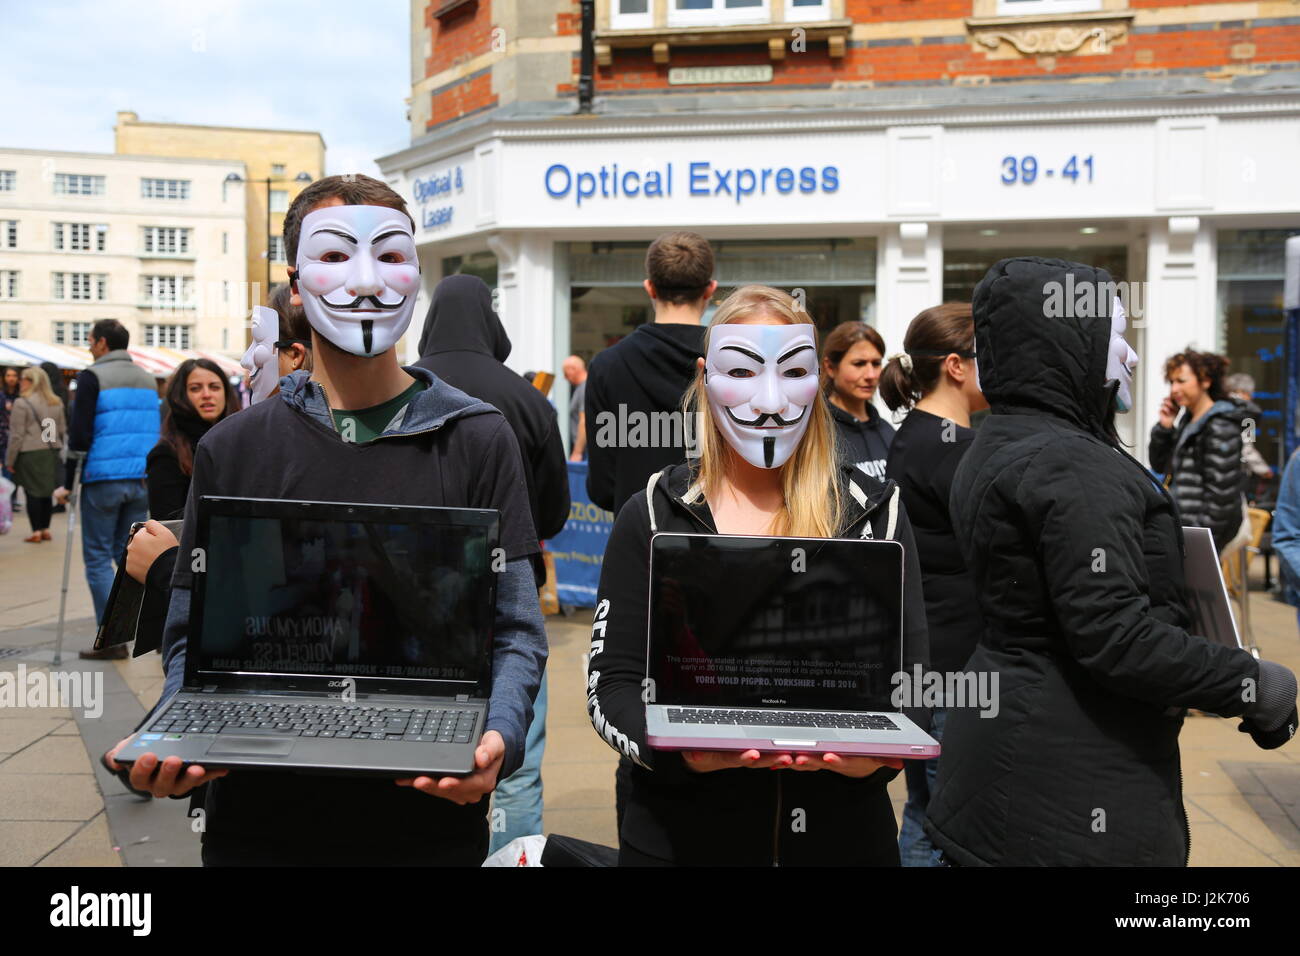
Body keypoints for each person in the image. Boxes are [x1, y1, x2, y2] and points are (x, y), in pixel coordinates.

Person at [103, 173, 547, 867]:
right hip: (259, 819)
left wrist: (500, 735)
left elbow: (516, 628)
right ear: (295, 283)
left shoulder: (476, 437)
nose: (366, 283)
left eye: (390, 257)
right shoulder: (234, 448)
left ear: (416, 272)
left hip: (424, 818)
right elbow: (194, 632)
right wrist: (178, 726)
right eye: (336, 257)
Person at [924, 257, 1297, 867]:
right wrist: (1253, 683)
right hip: (1071, 788)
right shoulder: (1070, 462)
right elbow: (1116, 638)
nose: (1128, 355)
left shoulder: (1000, 439)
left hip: (1006, 771)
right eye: (1114, 337)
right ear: (1063, 344)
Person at [586, 284, 930, 866]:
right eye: (742, 373)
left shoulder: (875, 510)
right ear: (705, 375)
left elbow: (916, 680)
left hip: (841, 839)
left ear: (816, 379)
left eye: (791, 373)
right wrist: (676, 749)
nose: (769, 402)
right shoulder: (654, 510)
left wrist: (878, 758)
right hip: (679, 839)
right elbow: (610, 684)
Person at [414, 272, 569, 852]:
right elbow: (551, 513)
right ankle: (511, 860)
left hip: (419, 600)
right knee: (515, 755)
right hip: (512, 597)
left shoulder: (402, 389)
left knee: (421, 748)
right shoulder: (528, 398)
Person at [878, 303, 986, 867]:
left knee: (928, 808)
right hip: (953, 663)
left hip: (929, 658)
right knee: (950, 814)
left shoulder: (919, 433)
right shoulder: (951, 446)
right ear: (955, 365)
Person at [584, 231, 716, 515]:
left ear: (650, 288)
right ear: (710, 290)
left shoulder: (607, 365)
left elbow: (603, 488)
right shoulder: (732, 363)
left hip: (639, 538)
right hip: (717, 537)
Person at [50, 319, 159, 659]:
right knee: (127, 554)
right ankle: (151, 622)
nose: (89, 346)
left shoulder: (92, 376)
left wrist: (66, 483)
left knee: (97, 558)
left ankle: (110, 638)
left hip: (103, 476)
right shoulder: (147, 377)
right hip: (140, 476)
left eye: (90, 340)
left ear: (100, 343)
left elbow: (80, 434)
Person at [1149, 349, 1247, 554]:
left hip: (1199, 539)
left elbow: (1221, 498)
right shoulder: (1189, 421)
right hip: (1185, 531)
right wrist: (1165, 427)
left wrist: (1198, 542)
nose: (1174, 389)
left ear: (1205, 381)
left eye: (1181, 381)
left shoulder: (1219, 425)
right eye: (1172, 382)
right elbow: (1160, 465)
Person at [147, 359, 240, 521]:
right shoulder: (166, 454)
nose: (207, 394)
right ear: (181, 395)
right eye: (195, 388)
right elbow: (167, 523)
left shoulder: (241, 441)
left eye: (214, 387)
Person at [822, 321, 895, 480]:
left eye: (876, 364)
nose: (870, 375)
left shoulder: (886, 431)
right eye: (859, 364)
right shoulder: (818, 432)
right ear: (830, 368)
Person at [4, 366, 67, 543]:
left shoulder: (22, 402)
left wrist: (10, 459)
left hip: (30, 452)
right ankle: (46, 528)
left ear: (32, 381)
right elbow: (61, 430)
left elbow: (16, 435)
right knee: (46, 491)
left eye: (23, 378)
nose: (19, 381)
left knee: (32, 492)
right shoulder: (56, 401)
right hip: (51, 450)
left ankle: (36, 531)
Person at [1223, 372, 1274, 486]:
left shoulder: (1218, 406)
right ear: (1245, 392)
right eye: (1251, 393)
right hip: (1235, 473)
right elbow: (1247, 448)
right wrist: (1264, 470)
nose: (1252, 397)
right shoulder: (1247, 414)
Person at [1, 366, 19, 511]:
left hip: (17, 438)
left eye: (14, 375)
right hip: (3, 438)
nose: (11, 378)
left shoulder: (22, 397)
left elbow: (48, 423)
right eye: (8, 375)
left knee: (12, 470)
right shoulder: (1, 395)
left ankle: (11, 499)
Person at [563, 355, 587, 461]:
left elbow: (584, 420)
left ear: (573, 369)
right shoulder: (581, 388)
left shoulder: (584, 388)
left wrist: (577, 452)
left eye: (565, 373)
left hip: (586, 451)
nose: (565, 377)